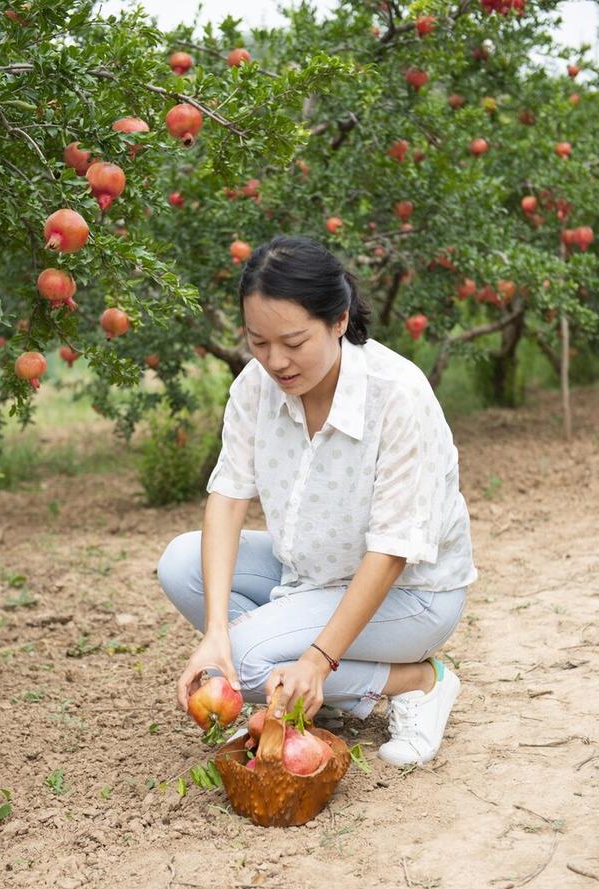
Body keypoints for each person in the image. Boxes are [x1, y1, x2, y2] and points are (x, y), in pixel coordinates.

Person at [158, 235, 477, 767]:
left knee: (252, 660)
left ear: (339, 320)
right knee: (181, 565)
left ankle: (418, 681)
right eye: (258, 342)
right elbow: (228, 495)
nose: (275, 361)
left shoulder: (397, 395)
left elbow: (393, 551)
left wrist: (317, 658)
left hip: (414, 595)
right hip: (309, 577)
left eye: (293, 341)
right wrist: (214, 634)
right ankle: (307, 681)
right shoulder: (255, 387)